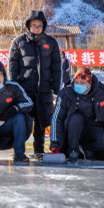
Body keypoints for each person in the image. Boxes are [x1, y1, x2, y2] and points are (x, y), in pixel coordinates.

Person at [8, 10, 61, 159]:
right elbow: (12, 65)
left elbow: (56, 67)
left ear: (43, 26)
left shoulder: (51, 43)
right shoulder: (19, 42)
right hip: (24, 89)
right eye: (33, 25)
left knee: (41, 122)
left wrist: (56, 87)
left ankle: (39, 151)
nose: (36, 28)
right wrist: (14, 86)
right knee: (22, 121)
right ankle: (19, 151)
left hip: (44, 90)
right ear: (28, 26)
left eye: (39, 25)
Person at [50, 68, 104, 163]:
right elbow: (56, 119)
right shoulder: (66, 94)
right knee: (76, 118)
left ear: (90, 83)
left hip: (95, 128)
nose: (79, 85)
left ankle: (88, 149)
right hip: (72, 130)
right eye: (77, 82)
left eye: (83, 83)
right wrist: (55, 142)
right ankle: (73, 150)